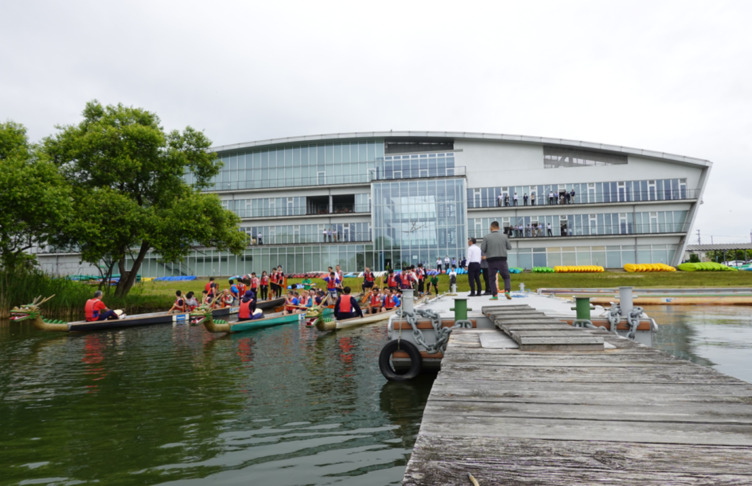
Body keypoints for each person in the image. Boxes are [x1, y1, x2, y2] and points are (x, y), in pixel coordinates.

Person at [481, 220, 512, 300]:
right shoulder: (504, 236)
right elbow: (509, 247)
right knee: (506, 277)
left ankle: (494, 295)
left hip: (491, 260)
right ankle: (507, 291)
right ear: (499, 227)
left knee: (491, 278)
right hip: (502, 259)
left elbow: (483, 249)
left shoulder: (486, 237)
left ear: (491, 228)